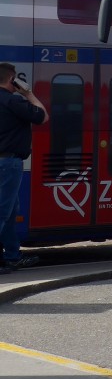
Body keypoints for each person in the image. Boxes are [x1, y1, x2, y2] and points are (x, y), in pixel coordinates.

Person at [0, 63, 48, 274]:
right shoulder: (13, 101)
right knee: (3, 212)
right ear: (12, 80)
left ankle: (12, 256)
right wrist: (28, 93)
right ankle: (11, 256)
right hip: (8, 164)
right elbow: (42, 116)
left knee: (10, 213)